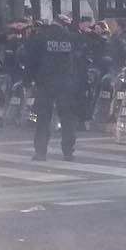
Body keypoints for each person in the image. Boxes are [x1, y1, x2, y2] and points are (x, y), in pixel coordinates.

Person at [26, 18, 84, 161]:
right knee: (68, 118)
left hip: (45, 83)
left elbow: (32, 61)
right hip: (66, 84)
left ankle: (40, 152)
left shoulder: (41, 37)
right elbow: (79, 60)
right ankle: (68, 152)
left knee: (43, 118)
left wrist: (29, 80)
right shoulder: (71, 38)